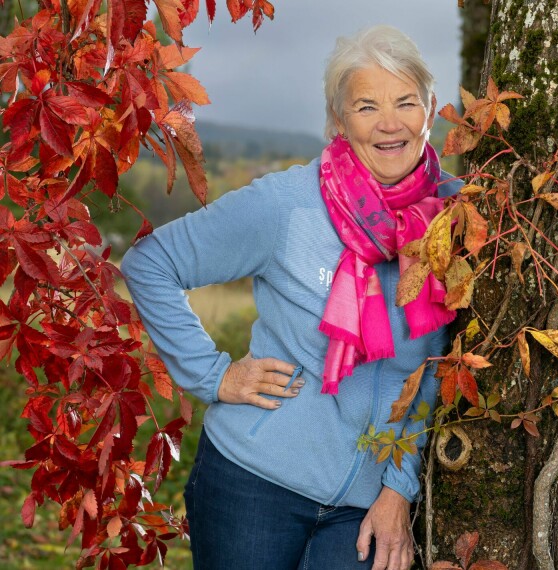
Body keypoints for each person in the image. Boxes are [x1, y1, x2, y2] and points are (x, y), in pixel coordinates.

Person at [121, 25, 459, 570]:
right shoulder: (285, 206)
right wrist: (214, 376)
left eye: (406, 103)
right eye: (367, 106)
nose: (390, 124)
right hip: (252, 484)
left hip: (364, 506)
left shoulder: (455, 219)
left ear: (431, 109)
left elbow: (440, 365)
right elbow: (151, 264)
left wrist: (399, 487)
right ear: (337, 120)